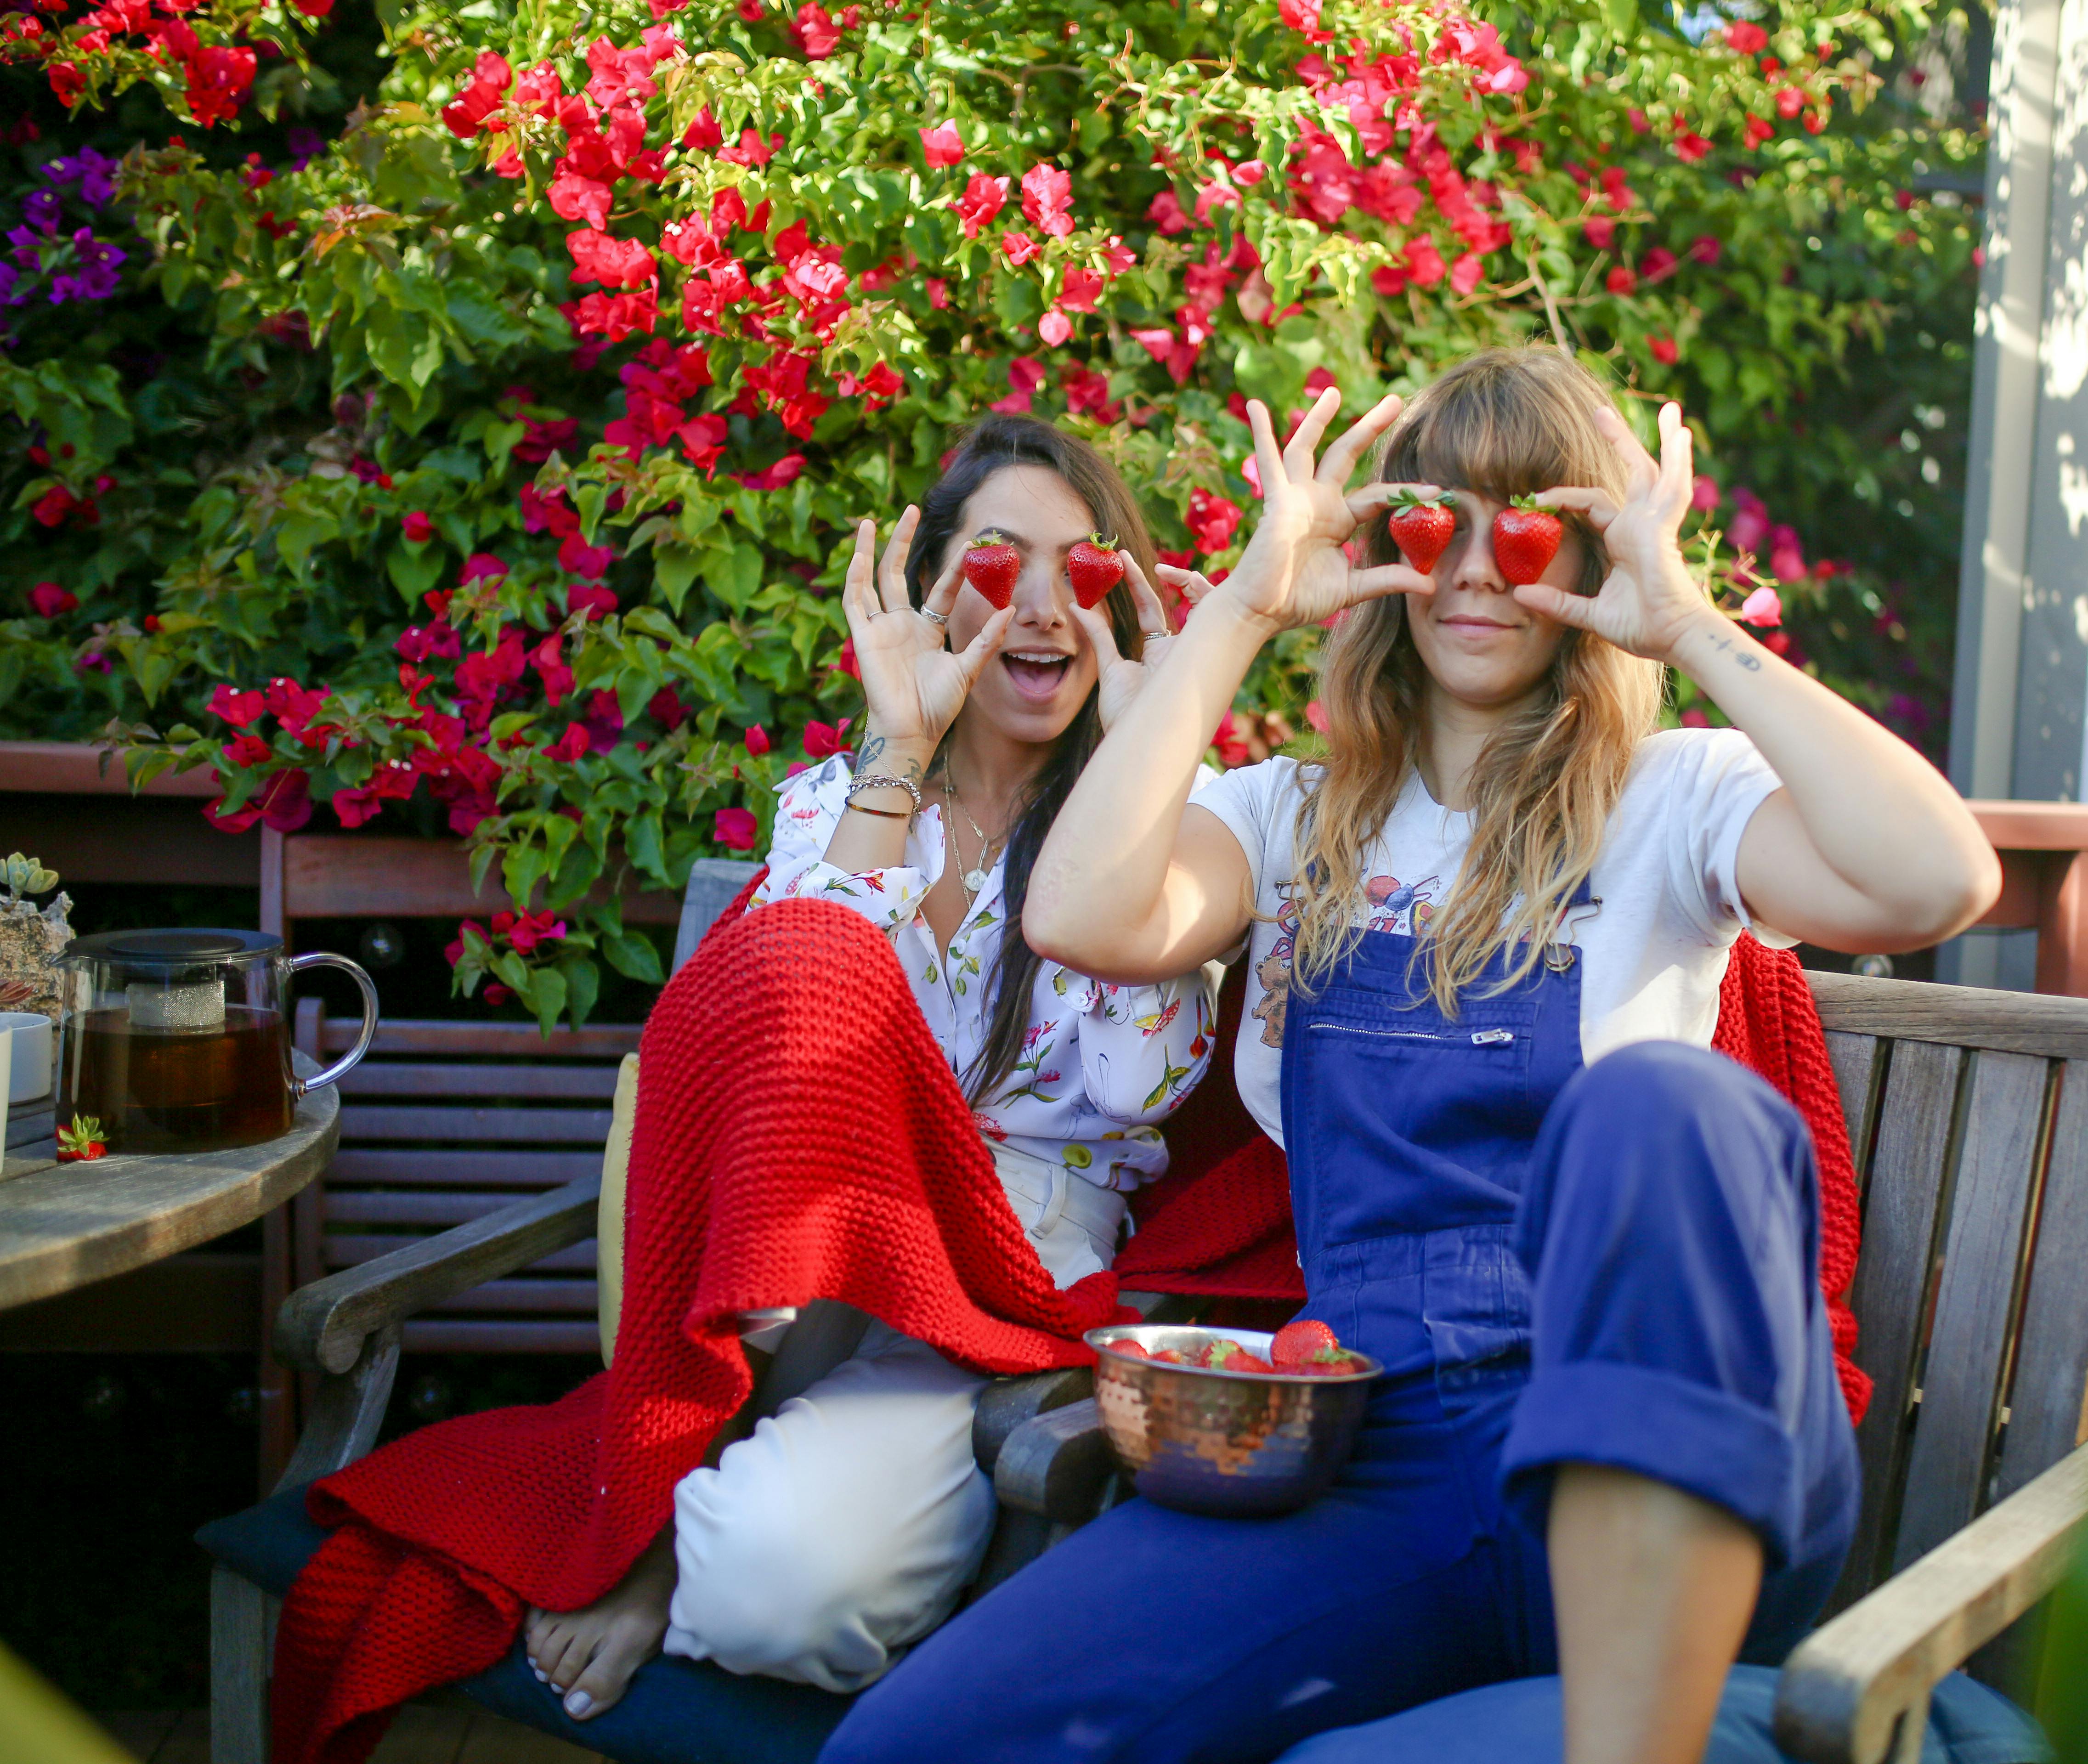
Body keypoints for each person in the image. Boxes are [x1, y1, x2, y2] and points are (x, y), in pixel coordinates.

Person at [804, 347, 2000, 1764]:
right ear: (1382, 553)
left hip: (1666, 1435)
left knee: (1673, 1110)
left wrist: (1685, 625)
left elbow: (1936, 883)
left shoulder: (1675, 801)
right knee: (911, 1749)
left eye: (1532, 527)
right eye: (1437, 525)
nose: (1480, 572)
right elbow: (1079, 912)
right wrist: (1246, 605)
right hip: (1381, 1462)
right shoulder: (1295, 821)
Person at [520, 416, 1221, 1721]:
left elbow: (1135, 1085)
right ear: (940, 590)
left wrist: (1147, 764)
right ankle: (675, 1497)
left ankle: (679, 1528)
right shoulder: (832, 801)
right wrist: (901, 745)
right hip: (800, 1250)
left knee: (768, 1591)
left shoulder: (1173, 817)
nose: (1046, 612)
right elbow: (787, 1033)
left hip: (1002, 1285)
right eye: (1003, 568)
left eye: (1088, 575)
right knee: (815, 1004)